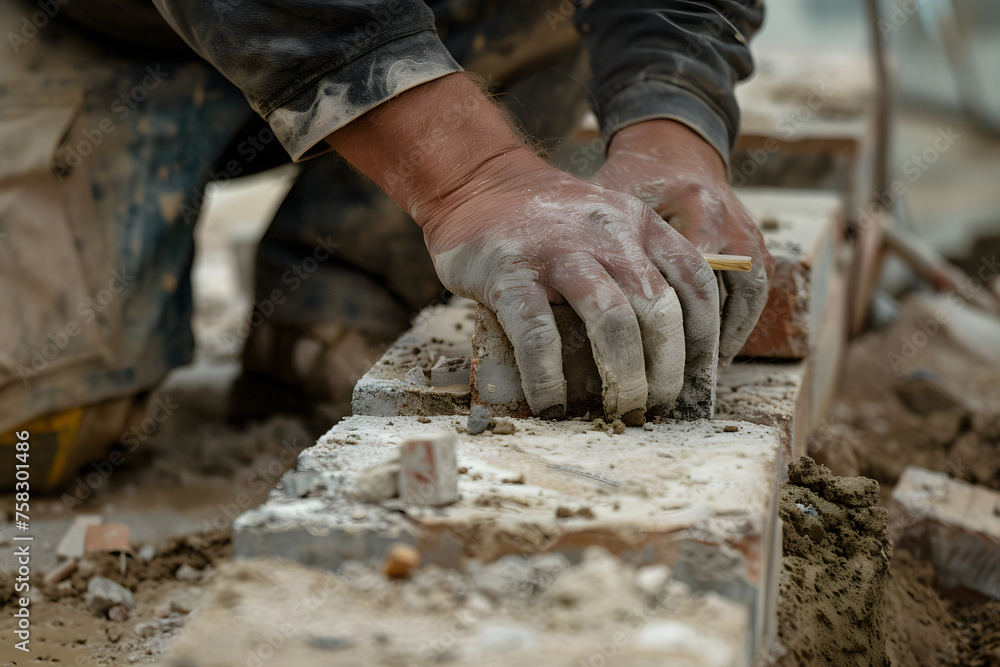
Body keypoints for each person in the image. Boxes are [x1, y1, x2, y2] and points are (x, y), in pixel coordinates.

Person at [0, 0, 773, 491]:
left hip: (410, 22)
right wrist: (478, 177)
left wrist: (673, 125)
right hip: (87, 30)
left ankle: (331, 304)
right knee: (33, 440)